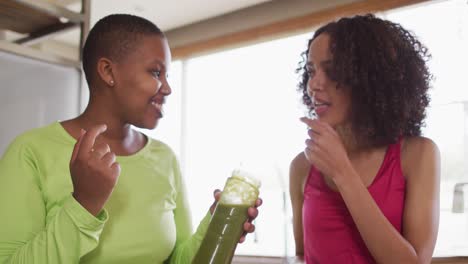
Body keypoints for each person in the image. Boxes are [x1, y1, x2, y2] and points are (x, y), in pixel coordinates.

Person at [0, 14, 261, 264]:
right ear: (108, 71)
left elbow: (180, 260)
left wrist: (215, 228)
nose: (168, 88)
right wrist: (84, 204)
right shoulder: (31, 152)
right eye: (156, 73)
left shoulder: (165, 158)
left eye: (167, 75)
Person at [289, 14, 440, 263]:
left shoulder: (418, 155)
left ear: (370, 79)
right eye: (311, 70)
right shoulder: (302, 166)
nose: (313, 84)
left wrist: (342, 172)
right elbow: (301, 255)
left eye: (332, 70)